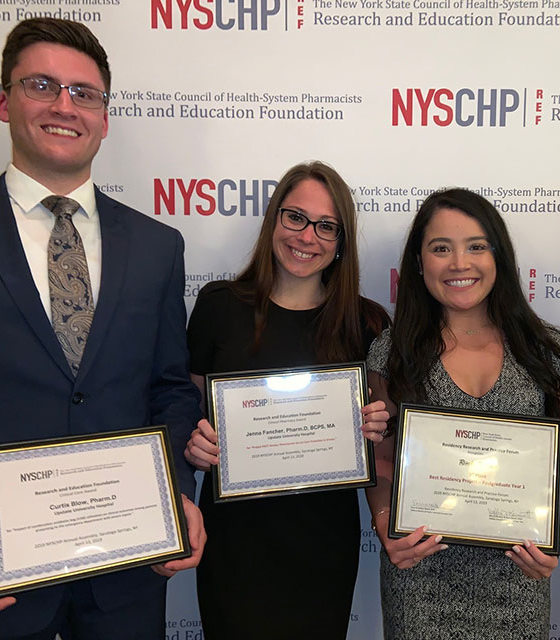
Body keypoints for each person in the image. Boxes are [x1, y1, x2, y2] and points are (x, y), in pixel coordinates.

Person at [0, 18, 205, 640]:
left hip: (126, 576)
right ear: (4, 100)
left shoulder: (157, 246)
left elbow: (171, 390)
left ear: (104, 116)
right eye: (41, 85)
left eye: (84, 93)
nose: (63, 106)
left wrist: (176, 490)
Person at [183, 161, 390, 639]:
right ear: (274, 219)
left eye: (326, 226)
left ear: (341, 243)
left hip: (321, 540)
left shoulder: (367, 323)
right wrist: (195, 442)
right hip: (234, 537)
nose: (307, 236)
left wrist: (377, 423)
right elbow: (188, 407)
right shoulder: (219, 305)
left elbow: (386, 437)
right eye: (295, 217)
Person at [364, 188, 560, 639]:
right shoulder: (392, 352)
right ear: (419, 263)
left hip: (517, 579)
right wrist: (387, 527)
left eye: (476, 246)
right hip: (420, 579)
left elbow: (559, 463)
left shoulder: (544, 352)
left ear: (498, 256)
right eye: (441, 248)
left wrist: (551, 531)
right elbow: (381, 458)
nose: (460, 263)